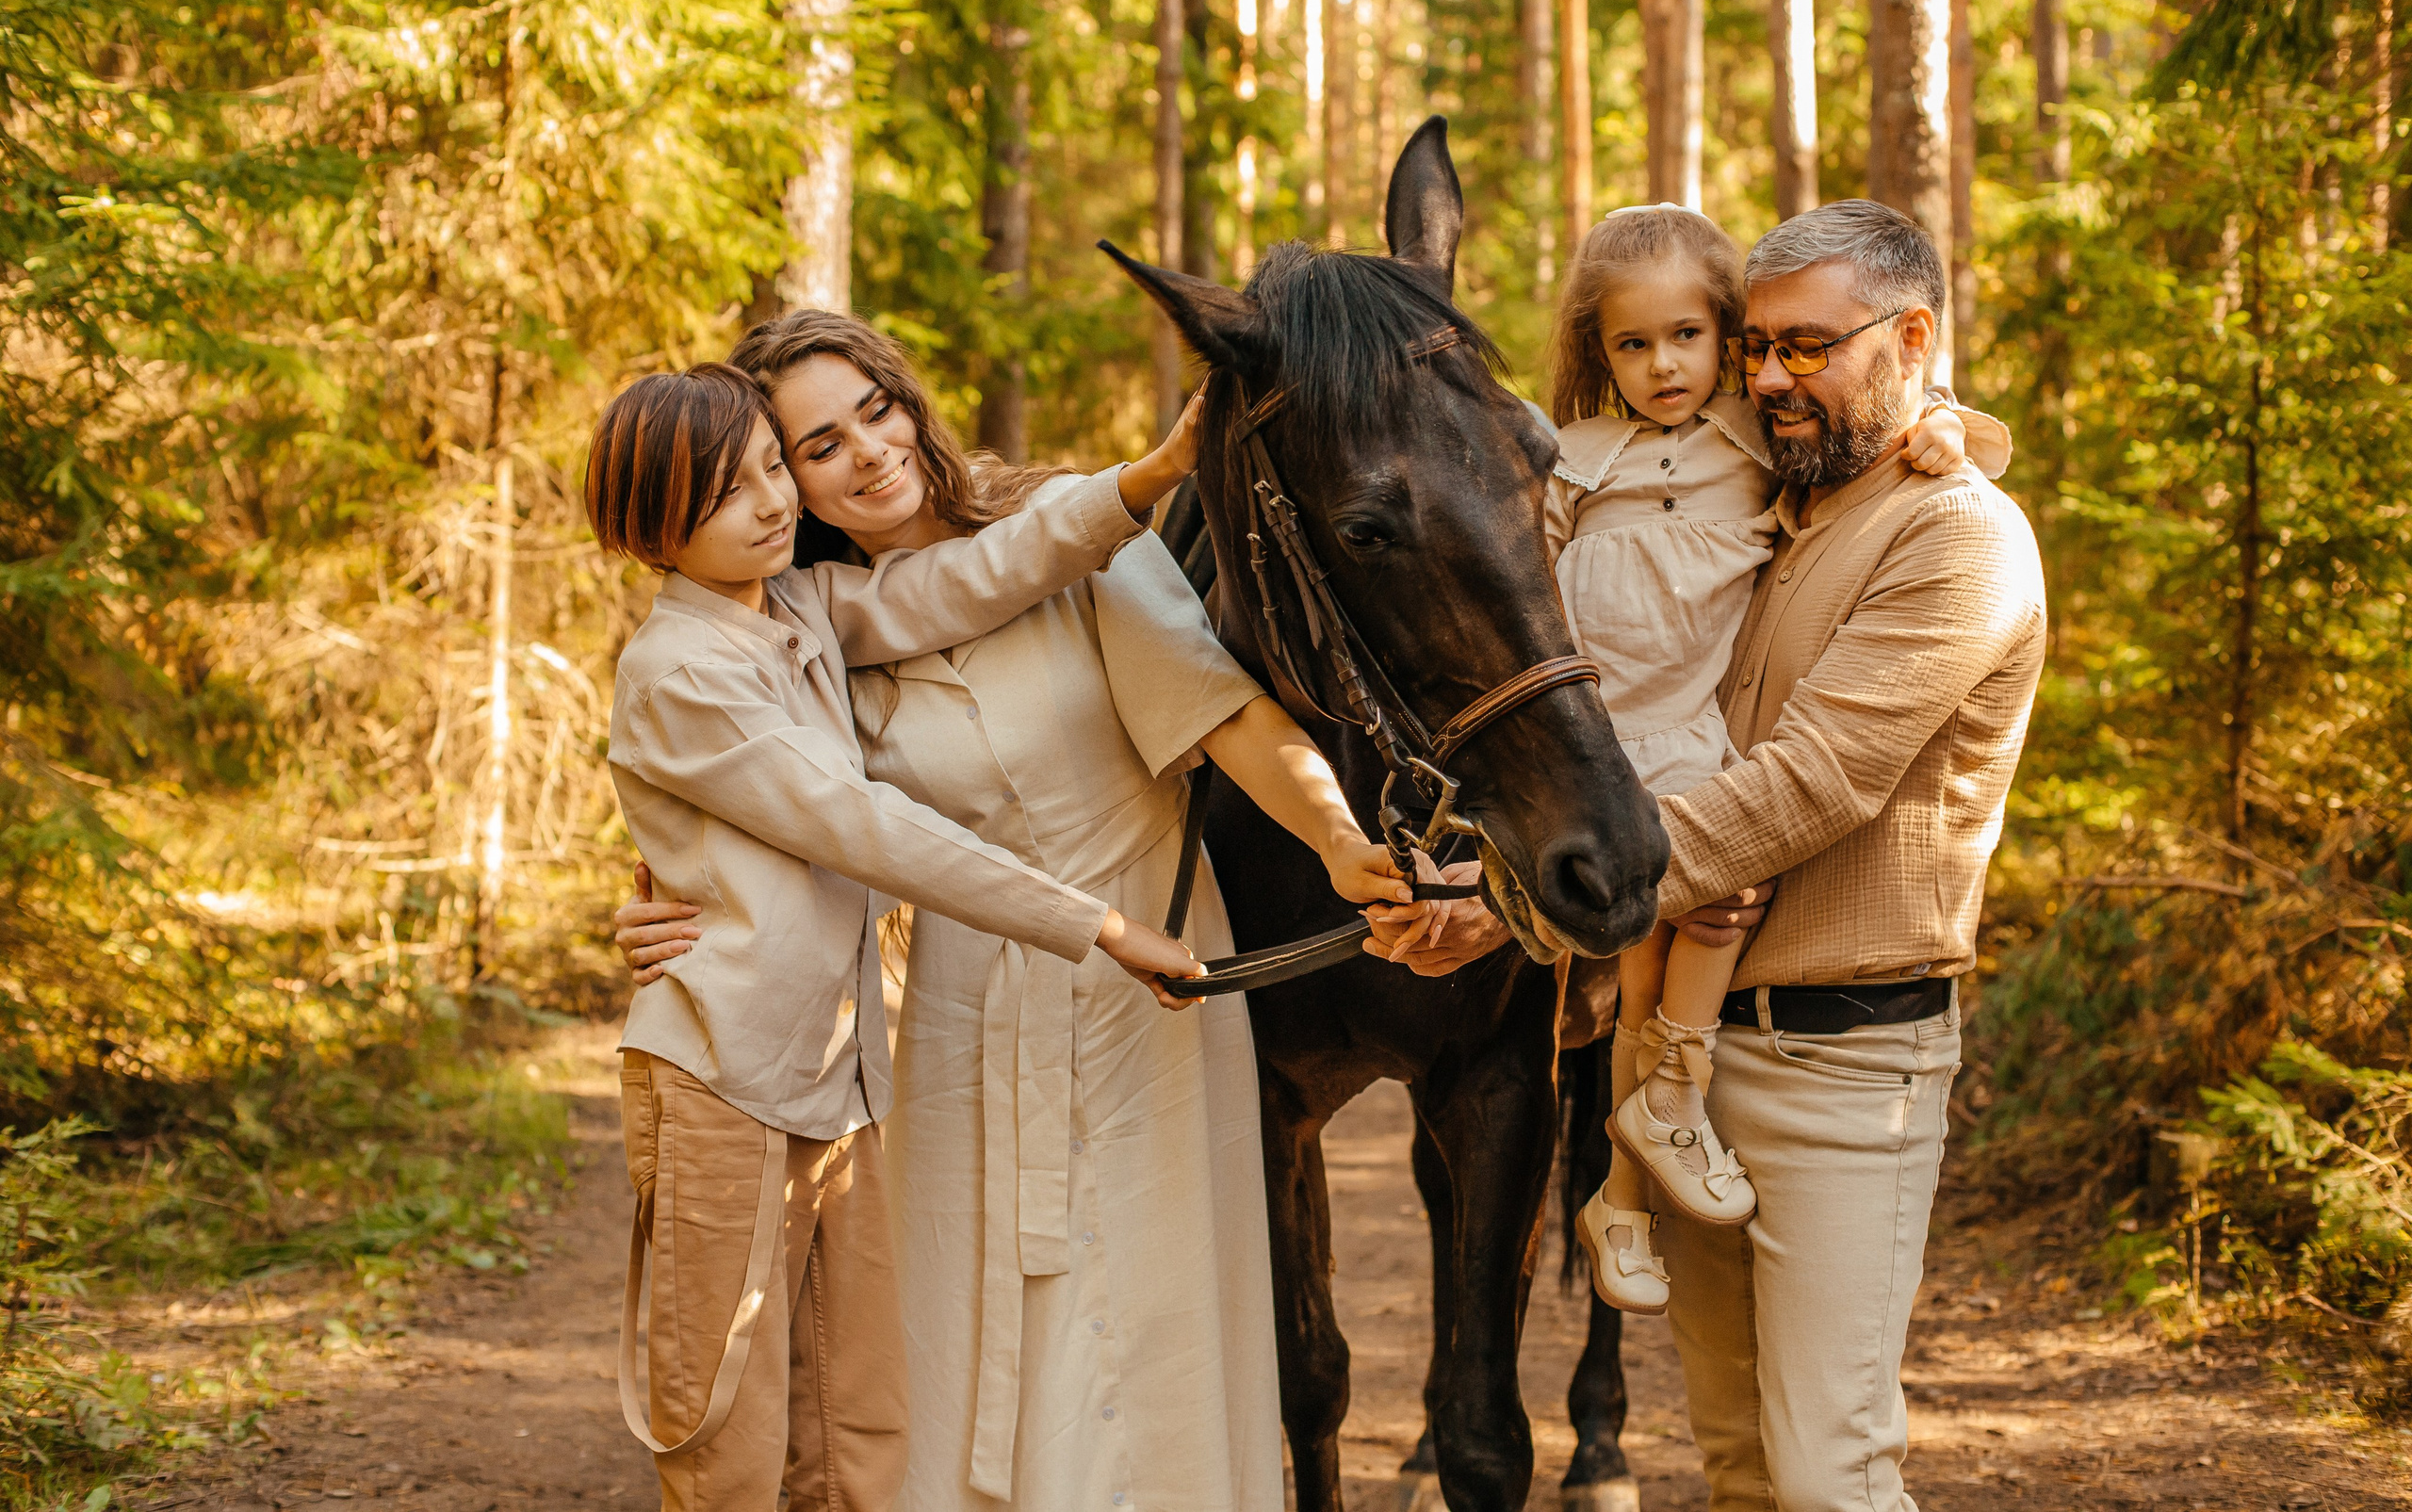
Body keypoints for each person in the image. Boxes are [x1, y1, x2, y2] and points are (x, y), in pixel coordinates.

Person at [613, 312, 1426, 1512]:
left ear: (912, 398)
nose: (863, 457)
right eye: (814, 444)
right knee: (939, 1329)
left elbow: (1205, 704)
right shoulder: (797, 611)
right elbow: (819, 824)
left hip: (1149, 981)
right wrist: (655, 903)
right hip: (956, 1008)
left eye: (874, 411)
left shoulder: (1022, 540)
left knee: (1148, 1313)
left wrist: (1339, 838)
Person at [1368, 200, 2047, 1512]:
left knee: (1828, 1473)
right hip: (1695, 1043)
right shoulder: (1790, 505)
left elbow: (1815, 781)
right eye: (1761, 349)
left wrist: (1518, 907)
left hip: (1849, 1063)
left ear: (1913, 338)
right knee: (1737, 1469)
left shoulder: (1958, 535)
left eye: (1810, 347)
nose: (1773, 377)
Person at [589, 362, 1214, 1512]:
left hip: (838, 1077)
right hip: (721, 1079)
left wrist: (1150, 478)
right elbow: (866, 826)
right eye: (730, 493)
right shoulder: (679, 673)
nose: (774, 504)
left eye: (775, 469)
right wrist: (1100, 925)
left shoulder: (800, 610)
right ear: (652, 528)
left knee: (860, 1412)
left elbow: (979, 576)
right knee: (726, 1426)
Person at [1539, 203, 2011, 1313]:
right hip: (1601, 753)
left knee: (1714, 902)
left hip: (1704, 766)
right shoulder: (1580, 460)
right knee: (1635, 976)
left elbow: (1823, 776)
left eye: (1699, 339)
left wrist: (1945, 421)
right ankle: (1624, 1187)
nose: (1673, 366)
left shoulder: (1774, 459)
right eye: (1635, 344)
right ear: (1598, 351)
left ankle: (1670, 1102)